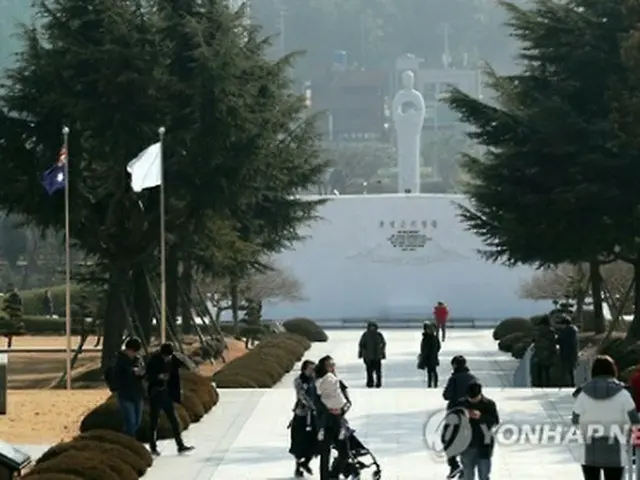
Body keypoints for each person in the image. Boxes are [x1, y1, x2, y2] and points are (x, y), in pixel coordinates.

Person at [572, 355, 640, 480]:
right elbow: (634, 420)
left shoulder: (583, 394)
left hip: (589, 450)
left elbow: (575, 420)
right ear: (613, 370)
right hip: (616, 450)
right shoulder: (623, 394)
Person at [146, 343, 194, 455]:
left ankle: (180, 445)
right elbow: (148, 375)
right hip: (156, 393)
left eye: (169, 356)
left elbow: (187, 366)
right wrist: (158, 377)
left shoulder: (174, 359)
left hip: (167, 393)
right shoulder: (154, 360)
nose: (167, 358)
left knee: (174, 420)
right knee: (154, 420)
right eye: (165, 356)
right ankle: (153, 446)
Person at [454, 382, 499, 480]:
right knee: (468, 474)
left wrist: (480, 417)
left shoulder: (489, 404)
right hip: (467, 444)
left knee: (484, 474)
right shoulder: (461, 404)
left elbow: (495, 421)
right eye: (470, 398)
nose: (472, 400)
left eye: (474, 398)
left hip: (484, 444)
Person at [315, 355, 350, 480]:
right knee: (325, 454)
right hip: (325, 422)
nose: (332, 367)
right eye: (329, 365)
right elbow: (316, 402)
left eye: (333, 365)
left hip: (338, 421)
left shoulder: (337, 381)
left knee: (345, 452)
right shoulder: (319, 382)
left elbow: (347, 400)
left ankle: (334, 473)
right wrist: (328, 410)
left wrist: (342, 409)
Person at [443, 355, 478, 479]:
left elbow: (446, 395)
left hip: (455, 414)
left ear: (455, 365)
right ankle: (465, 469)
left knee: (447, 439)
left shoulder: (454, 379)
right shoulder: (473, 378)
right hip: (470, 414)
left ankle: (454, 465)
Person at [289, 360, 318, 477]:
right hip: (302, 414)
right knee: (299, 441)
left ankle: (306, 462)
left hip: (314, 415)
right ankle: (298, 466)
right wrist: (313, 406)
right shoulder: (299, 381)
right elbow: (302, 396)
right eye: (310, 369)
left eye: (314, 369)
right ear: (304, 369)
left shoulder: (316, 380)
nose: (312, 371)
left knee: (314, 441)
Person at [113, 337, 146, 437]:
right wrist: (131, 372)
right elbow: (117, 374)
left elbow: (143, 372)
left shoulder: (139, 359)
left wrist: (141, 373)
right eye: (132, 351)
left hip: (138, 394)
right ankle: (129, 441)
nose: (134, 353)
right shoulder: (119, 359)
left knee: (137, 422)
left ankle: (126, 438)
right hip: (125, 395)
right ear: (128, 349)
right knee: (130, 422)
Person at [358, 321, 386, 388]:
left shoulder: (379, 335)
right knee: (369, 371)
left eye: (373, 327)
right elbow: (361, 344)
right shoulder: (365, 335)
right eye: (371, 327)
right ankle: (370, 382)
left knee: (378, 371)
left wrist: (382, 352)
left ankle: (378, 383)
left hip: (377, 356)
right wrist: (362, 353)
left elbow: (383, 344)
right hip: (368, 356)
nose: (372, 328)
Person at [533, 315, 557, 387]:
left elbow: (534, 340)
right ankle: (547, 384)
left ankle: (538, 384)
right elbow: (552, 342)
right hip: (548, 352)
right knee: (547, 370)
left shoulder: (538, 330)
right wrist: (554, 351)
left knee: (538, 370)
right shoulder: (550, 331)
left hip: (539, 352)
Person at [556, 316, 579, 386]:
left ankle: (568, 386)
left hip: (566, 354)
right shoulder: (574, 331)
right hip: (573, 354)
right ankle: (572, 385)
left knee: (566, 372)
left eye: (562, 324)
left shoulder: (565, 331)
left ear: (565, 324)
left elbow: (558, 341)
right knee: (571, 372)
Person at [418, 322, 441, 388]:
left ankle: (432, 383)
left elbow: (426, 348)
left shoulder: (429, 338)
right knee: (431, 371)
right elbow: (438, 347)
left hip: (430, 357)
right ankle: (431, 383)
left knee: (432, 370)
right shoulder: (430, 337)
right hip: (431, 357)